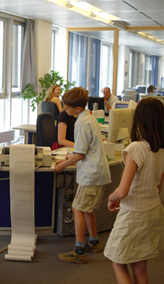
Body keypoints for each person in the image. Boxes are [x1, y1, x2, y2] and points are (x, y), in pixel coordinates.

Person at [104, 97, 164, 284]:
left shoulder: (136, 149)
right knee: (140, 266)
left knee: (118, 262)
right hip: (153, 211)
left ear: (139, 120)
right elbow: (158, 188)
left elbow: (123, 191)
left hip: (133, 214)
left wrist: (111, 197)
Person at [55, 87, 111, 264]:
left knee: (77, 208)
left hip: (91, 175)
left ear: (77, 108)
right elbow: (83, 150)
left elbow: (80, 155)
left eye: (67, 107)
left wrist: (62, 165)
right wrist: (70, 158)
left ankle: (79, 251)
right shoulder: (89, 117)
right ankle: (93, 242)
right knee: (86, 209)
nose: (65, 110)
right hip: (97, 172)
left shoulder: (81, 122)